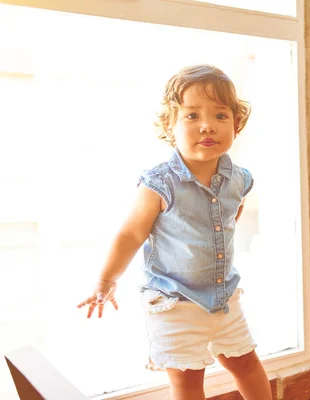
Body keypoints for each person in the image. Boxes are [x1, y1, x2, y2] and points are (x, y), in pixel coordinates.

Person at [77, 65, 271, 400]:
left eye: (220, 116)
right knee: (187, 382)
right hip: (174, 304)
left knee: (246, 365)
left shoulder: (239, 178)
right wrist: (106, 280)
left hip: (224, 299)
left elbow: (232, 211)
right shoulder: (159, 183)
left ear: (236, 125)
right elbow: (130, 234)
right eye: (192, 115)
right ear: (170, 125)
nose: (207, 125)